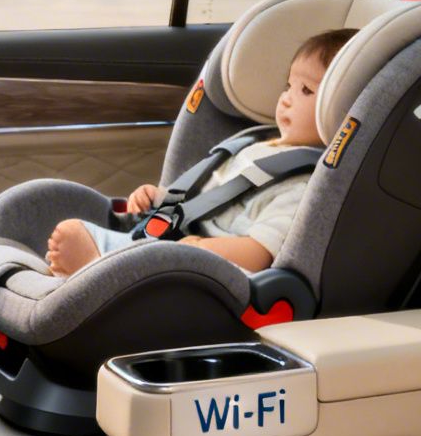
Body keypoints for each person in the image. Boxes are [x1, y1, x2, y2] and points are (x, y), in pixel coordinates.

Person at [45, 27, 356, 278]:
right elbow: (209, 197)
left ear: (343, 109)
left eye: (306, 91)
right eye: (288, 85)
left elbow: (260, 252)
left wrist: (199, 249)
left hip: (213, 269)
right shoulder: (255, 143)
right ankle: (101, 266)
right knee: (79, 230)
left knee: (79, 236)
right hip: (178, 240)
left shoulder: (302, 183)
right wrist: (160, 197)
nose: (286, 99)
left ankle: (101, 269)